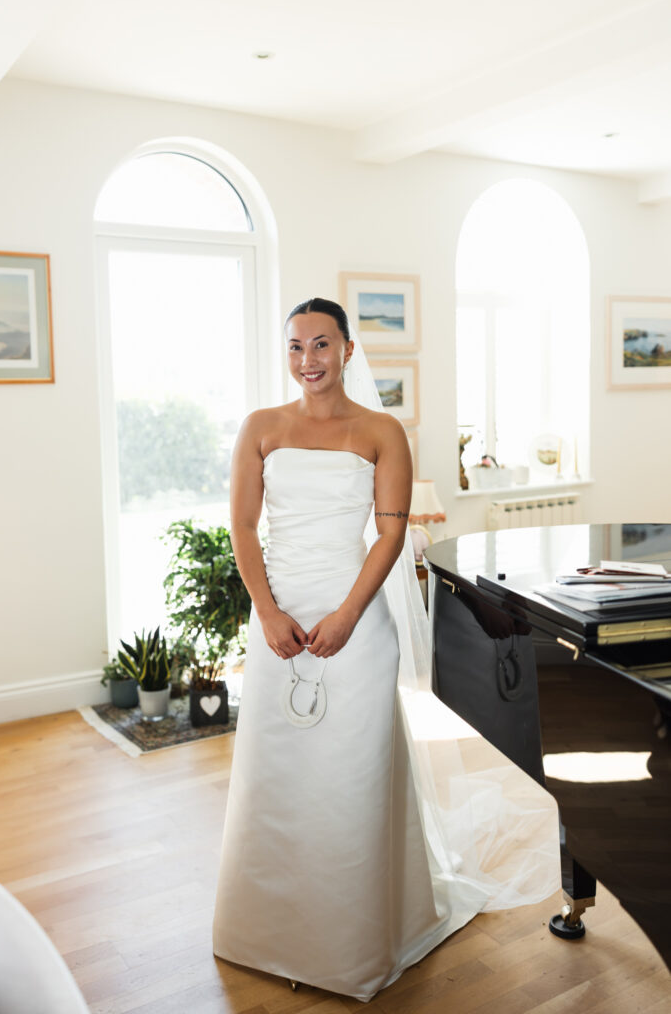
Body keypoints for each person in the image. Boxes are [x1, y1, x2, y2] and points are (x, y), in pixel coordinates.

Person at [212, 298, 559, 1002]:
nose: (307, 359)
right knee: (276, 772)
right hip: (276, 614)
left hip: (356, 616)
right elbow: (243, 529)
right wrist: (268, 611)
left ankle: (357, 936)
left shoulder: (380, 431)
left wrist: (345, 615)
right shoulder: (260, 427)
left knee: (350, 769)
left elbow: (389, 536)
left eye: (321, 344)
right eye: (294, 346)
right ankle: (265, 929)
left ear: (346, 350)